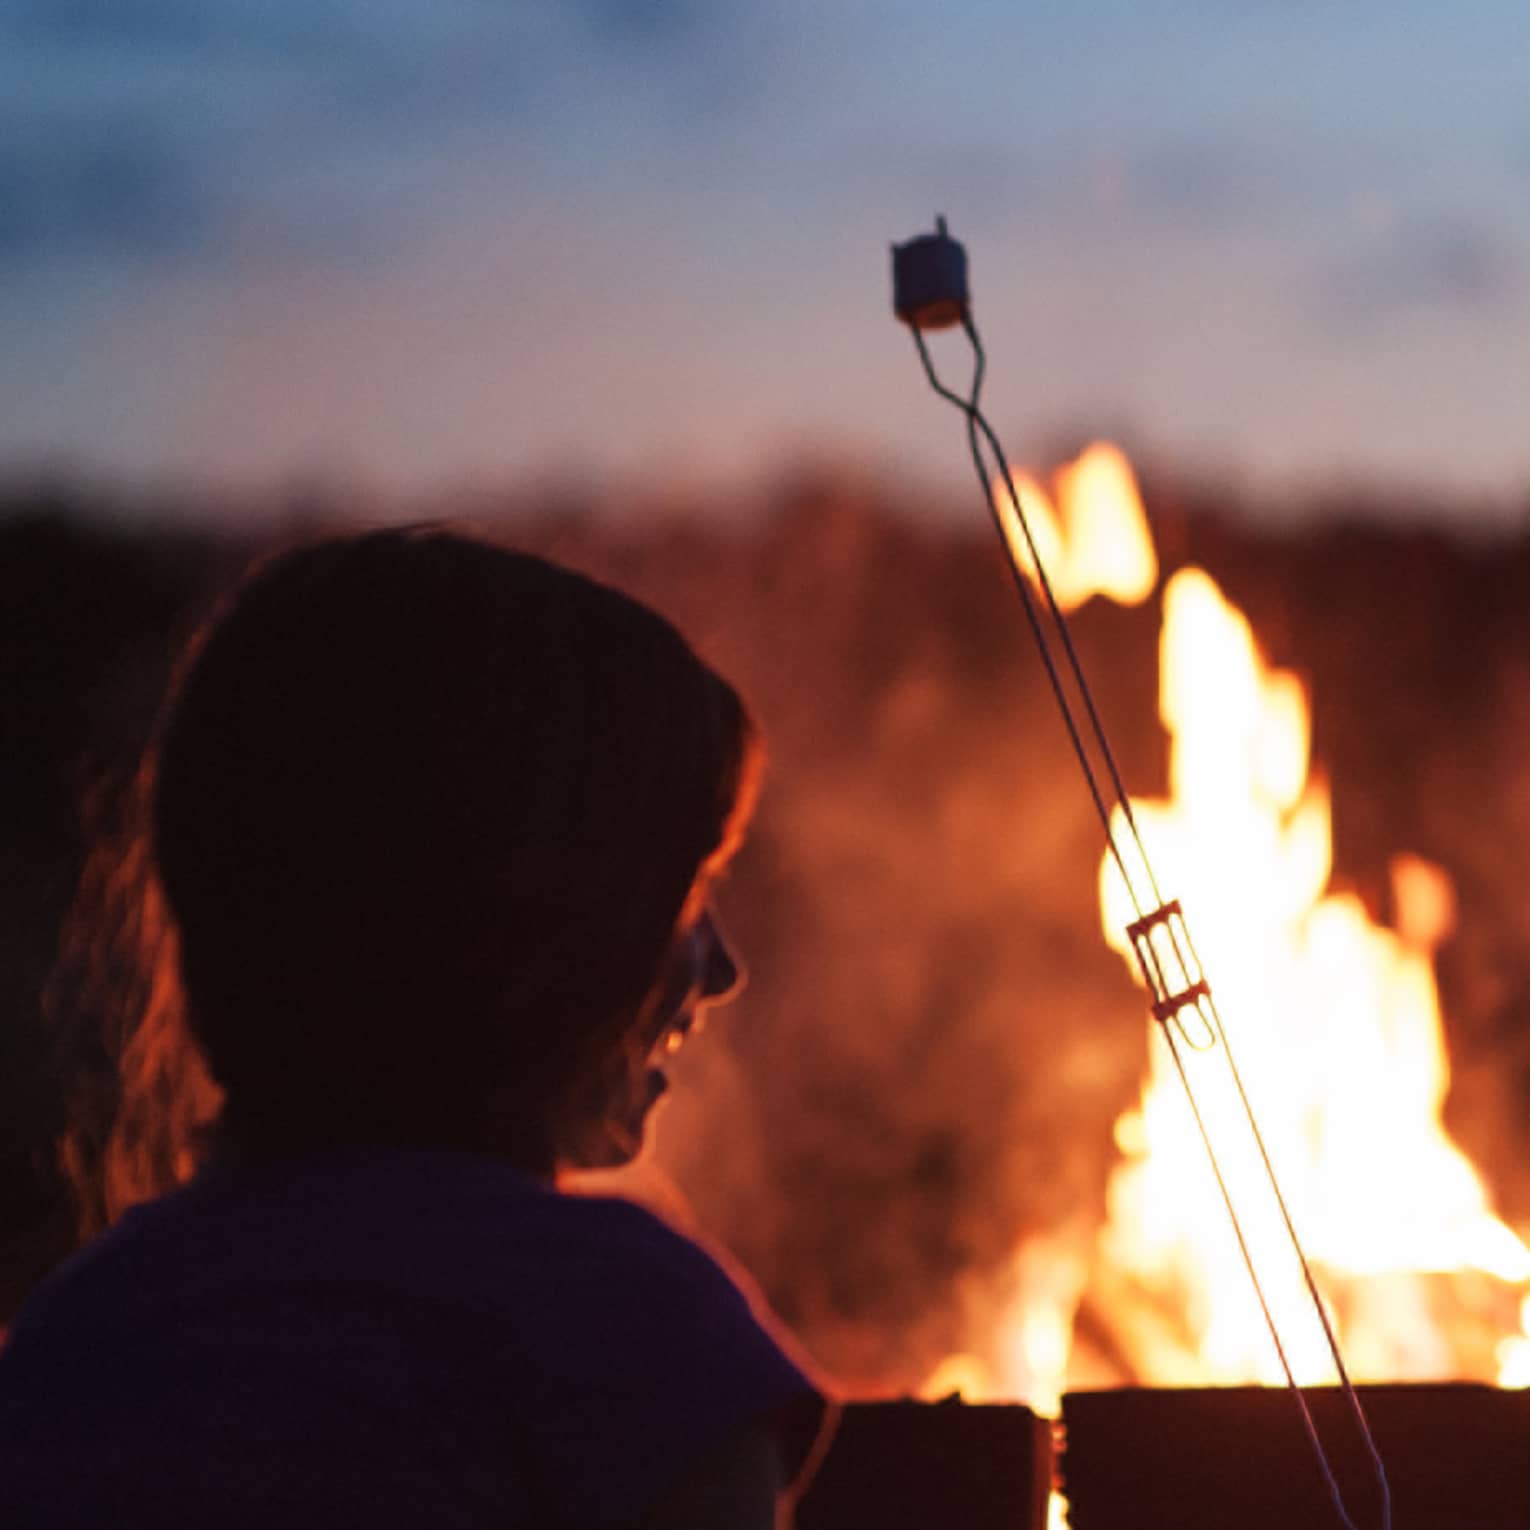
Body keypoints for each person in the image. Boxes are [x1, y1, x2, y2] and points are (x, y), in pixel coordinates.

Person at [0, 528, 833, 1529]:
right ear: (542, 921)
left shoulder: (76, 1341)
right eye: (685, 892)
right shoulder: (626, 1334)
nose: (723, 971)